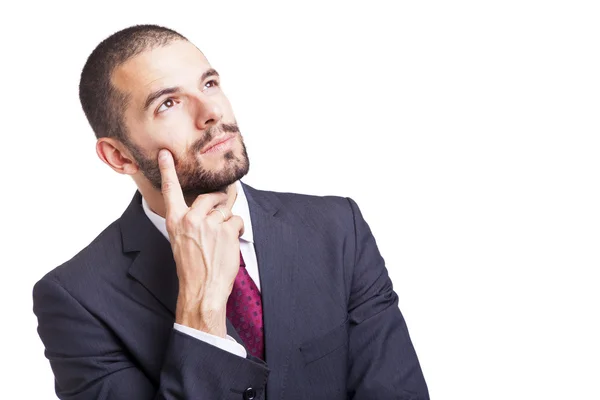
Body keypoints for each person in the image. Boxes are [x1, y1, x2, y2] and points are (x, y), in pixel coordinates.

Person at [32, 24, 429, 400]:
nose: (211, 113)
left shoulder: (338, 229)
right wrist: (201, 313)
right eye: (168, 103)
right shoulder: (76, 299)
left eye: (209, 84)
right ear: (118, 156)